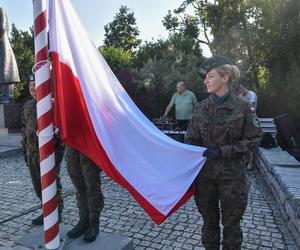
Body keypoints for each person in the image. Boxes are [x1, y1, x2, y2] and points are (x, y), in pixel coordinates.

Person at [185, 56, 263, 250]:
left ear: (225, 78)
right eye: (206, 77)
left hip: (232, 177)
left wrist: (223, 151)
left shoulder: (243, 107)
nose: (206, 81)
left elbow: (254, 138)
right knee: (209, 224)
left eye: (210, 76)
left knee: (231, 225)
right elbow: (191, 139)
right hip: (205, 178)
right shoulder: (200, 108)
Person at [21, 73, 64, 225]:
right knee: (39, 187)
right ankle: (46, 211)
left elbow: (60, 132)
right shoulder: (27, 106)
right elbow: (24, 130)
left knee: (52, 184)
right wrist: (24, 152)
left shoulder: (52, 105)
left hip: (49, 155)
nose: (32, 88)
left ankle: (56, 213)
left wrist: (58, 155)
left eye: (35, 85)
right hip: (32, 154)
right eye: (30, 86)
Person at [66, 146, 104, 243]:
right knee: (77, 183)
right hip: (72, 141)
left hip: (88, 142)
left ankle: (94, 222)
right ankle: (84, 219)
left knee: (91, 184)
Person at [235, 81, 258, 169]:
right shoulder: (241, 96)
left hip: (250, 122)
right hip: (242, 122)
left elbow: (250, 109)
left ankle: (250, 163)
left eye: (240, 90)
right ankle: (245, 159)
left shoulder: (252, 95)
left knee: (250, 142)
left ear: (244, 88)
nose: (240, 92)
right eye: (239, 91)